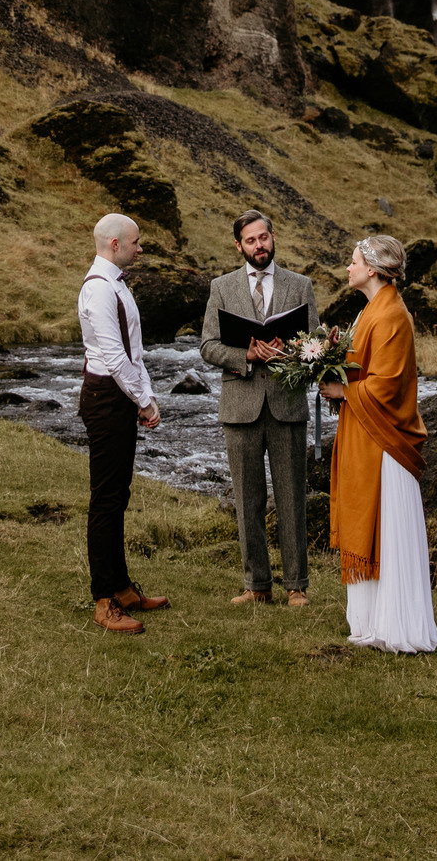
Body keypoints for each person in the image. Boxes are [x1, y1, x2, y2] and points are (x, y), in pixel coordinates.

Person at [320, 234, 437, 654]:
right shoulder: (372, 308)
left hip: (385, 443)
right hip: (366, 435)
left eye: (354, 261)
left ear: (372, 269)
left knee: (388, 530)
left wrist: (343, 391)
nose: (348, 268)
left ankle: (395, 625)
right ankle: (372, 621)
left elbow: (387, 385)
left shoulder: (390, 314)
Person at [200, 209, 317, 607]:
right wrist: (245, 356)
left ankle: (296, 585)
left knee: (292, 496)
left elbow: (316, 343)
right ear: (239, 246)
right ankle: (256, 585)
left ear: (272, 236)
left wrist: (293, 350)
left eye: (263, 237)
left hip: (287, 404)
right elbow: (207, 346)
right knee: (247, 499)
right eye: (250, 240)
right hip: (240, 406)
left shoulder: (300, 285)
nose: (259, 245)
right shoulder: (221, 287)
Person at [78, 212, 167, 635]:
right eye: (136, 241)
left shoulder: (116, 284)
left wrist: (144, 394)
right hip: (105, 398)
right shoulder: (98, 289)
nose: (140, 247)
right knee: (106, 499)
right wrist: (143, 402)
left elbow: (135, 351)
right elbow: (114, 356)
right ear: (115, 244)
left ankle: (122, 587)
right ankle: (104, 600)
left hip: (119, 395)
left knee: (118, 494)